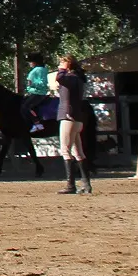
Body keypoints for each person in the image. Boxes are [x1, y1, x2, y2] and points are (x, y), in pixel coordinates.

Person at [52, 54, 92, 196]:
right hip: (76, 118)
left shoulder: (70, 77)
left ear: (68, 64)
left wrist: (62, 69)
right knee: (78, 152)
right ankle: (86, 184)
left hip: (68, 116)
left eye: (61, 62)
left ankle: (70, 185)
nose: (59, 65)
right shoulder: (77, 78)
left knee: (65, 150)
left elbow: (59, 77)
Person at [20, 54, 51, 131]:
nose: (29, 63)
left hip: (38, 93)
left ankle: (36, 124)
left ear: (35, 62)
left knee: (25, 107)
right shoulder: (37, 69)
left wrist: (31, 83)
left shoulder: (40, 69)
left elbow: (43, 82)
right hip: (34, 92)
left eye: (31, 61)